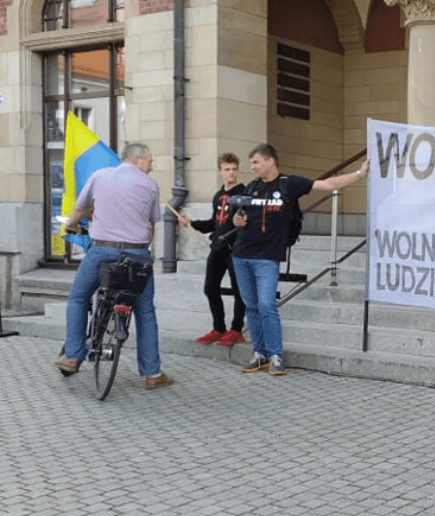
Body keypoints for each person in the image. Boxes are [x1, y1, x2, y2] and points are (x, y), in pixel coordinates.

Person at [231, 144, 369, 376]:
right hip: (241, 254)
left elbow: (326, 185)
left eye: (255, 162)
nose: (252, 167)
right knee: (252, 307)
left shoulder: (289, 184)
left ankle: (276, 356)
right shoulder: (252, 187)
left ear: (270, 162)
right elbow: (241, 214)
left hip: (267, 258)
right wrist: (237, 219)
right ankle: (259, 354)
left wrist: (359, 174)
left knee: (267, 305)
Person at [55, 142, 173, 389]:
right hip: (138, 256)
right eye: (150, 161)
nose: (151, 167)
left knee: (78, 297)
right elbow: (151, 228)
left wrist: (70, 226)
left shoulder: (99, 176)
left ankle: (73, 356)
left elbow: (79, 209)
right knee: (145, 311)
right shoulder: (150, 186)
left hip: (102, 251)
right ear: (137, 159)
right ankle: (152, 374)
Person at [178, 153, 247, 346]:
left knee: (238, 290)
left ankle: (236, 329)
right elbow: (214, 223)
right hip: (218, 247)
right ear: (220, 171)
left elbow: (245, 223)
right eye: (227, 169)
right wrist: (190, 223)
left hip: (235, 249)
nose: (231, 173)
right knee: (210, 288)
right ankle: (218, 328)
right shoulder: (218, 195)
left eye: (234, 169)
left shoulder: (244, 194)